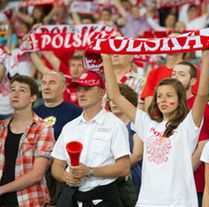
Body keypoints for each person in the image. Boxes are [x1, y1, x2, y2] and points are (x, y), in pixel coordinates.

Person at [102, 48, 209, 206]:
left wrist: (206, 56)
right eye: (159, 96)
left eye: (169, 96)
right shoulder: (146, 123)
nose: (163, 100)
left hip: (179, 202)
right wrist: (106, 58)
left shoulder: (188, 125)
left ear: (180, 99)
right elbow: (115, 95)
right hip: (148, 201)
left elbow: (202, 94)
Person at [51, 71, 131, 206]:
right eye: (79, 90)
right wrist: (66, 177)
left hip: (103, 198)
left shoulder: (115, 125)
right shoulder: (69, 127)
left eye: (87, 89)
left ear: (102, 92)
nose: (81, 94)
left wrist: (90, 172)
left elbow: (124, 167)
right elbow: (57, 165)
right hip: (71, 197)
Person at [0, 75, 55, 206]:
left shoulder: (43, 128)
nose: (15, 94)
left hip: (29, 201)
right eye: (13, 89)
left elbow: (37, 174)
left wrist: (2, 189)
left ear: (33, 98)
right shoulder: (1, 127)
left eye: (22, 90)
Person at [33, 71, 82, 205]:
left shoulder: (76, 112)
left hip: (63, 171)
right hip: (37, 170)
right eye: (44, 83)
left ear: (63, 88)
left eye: (52, 83)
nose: (46, 87)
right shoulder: (33, 112)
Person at [171, 61, 209, 207]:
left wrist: (182, 174)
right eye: (173, 73)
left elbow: (203, 145)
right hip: (168, 185)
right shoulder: (162, 106)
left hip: (194, 184)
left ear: (193, 81)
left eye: (181, 74)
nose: (175, 77)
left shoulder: (202, 106)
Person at [107, 84, 143, 194]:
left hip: (131, 176)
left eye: (117, 100)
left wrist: (113, 170)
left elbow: (137, 155)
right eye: (111, 100)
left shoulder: (136, 123)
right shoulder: (105, 123)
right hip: (108, 177)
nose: (113, 103)